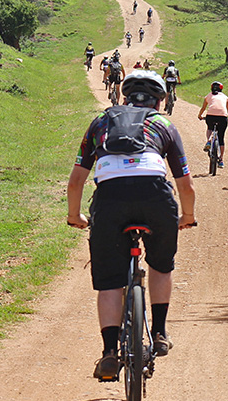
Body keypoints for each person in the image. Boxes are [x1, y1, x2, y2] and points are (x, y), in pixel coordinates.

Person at [66, 70, 197, 380]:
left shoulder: (101, 122)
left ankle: (110, 352)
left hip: (110, 200)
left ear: (123, 97)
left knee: (111, 281)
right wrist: (187, 216)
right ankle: (161, 333)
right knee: (161, 266)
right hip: (155, 198)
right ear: (161, 100)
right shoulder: (164, 124)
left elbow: (76, 181)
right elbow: (186, 185)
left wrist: (75, 216)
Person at [197, 81, 228, 167]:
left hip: (210, 116)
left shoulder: (208, 96)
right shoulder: (225, 97)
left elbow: (203, 108)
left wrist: (200, 116)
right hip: (222, 118)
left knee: (210, 128)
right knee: (221, 138)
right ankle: (221, 160)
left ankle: (209, 141)